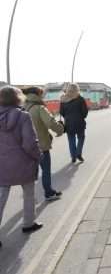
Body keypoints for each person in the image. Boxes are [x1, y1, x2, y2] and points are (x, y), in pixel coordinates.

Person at [0, 86, 43, 247]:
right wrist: (39, 156)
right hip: (23, 162)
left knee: (1, 198)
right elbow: (30, 143)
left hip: (1, 165)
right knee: (29, 193)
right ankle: (28, 223)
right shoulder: (23, 116)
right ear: (18, 98)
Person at [23, 87, 64, 201]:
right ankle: (49, 192)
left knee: (29, 174)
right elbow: (50, 122)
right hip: (41, 145)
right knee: (45, 170)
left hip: (26, 147)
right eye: (42, 94)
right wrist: (60, 129)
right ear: (38, 95)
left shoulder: (23, 108)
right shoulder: (39, 108)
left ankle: (29, 198)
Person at [60, 83, 88, 163]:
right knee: (81, 138)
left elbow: (61, 112)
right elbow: (85, 112)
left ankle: (73, 156)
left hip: (69, 123)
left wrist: (67, 117)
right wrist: (81, 116)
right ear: (77, 89)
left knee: (71, 140)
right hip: (80, 123)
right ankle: (78, 153)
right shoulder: (80, 99)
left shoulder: (63, 99)